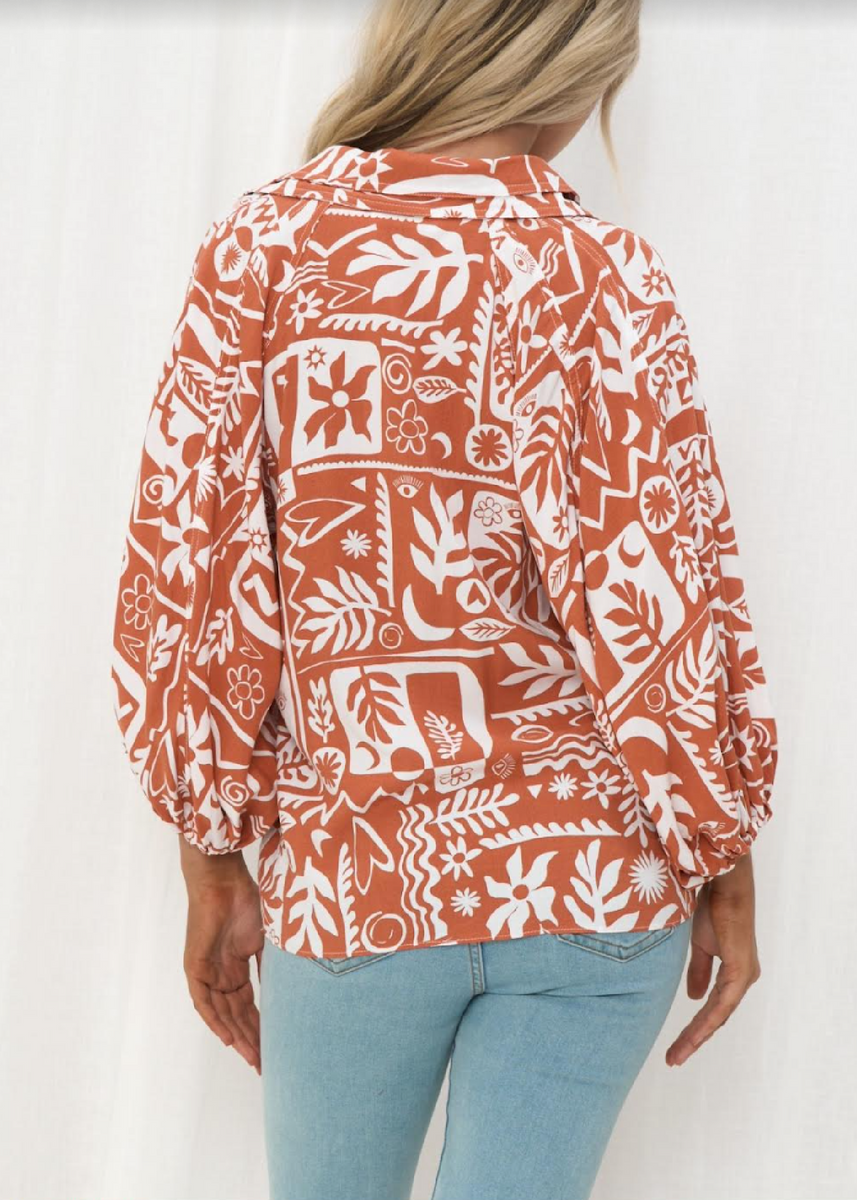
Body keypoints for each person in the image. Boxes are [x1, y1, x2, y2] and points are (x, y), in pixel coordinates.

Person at [110, 1, 779, 1197]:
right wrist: (720, 854)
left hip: (358, 879)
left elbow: (194, 574)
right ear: (570, 68)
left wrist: (209, 856)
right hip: (592, 876)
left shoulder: (265, 249)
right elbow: (664, 595)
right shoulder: (601, 272)